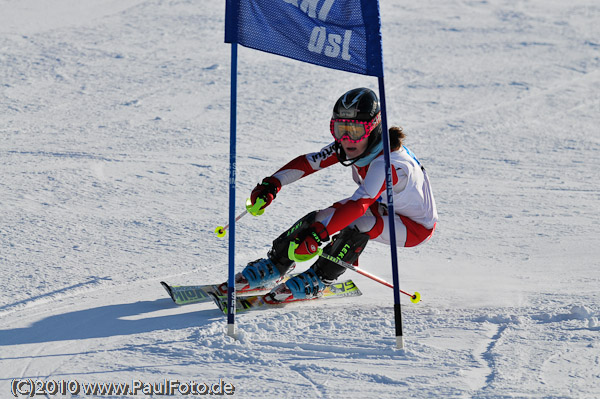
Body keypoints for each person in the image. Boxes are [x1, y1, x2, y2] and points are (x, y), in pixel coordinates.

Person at [235, 87, 438, 302]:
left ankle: (320, 279)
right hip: (382, 205)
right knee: (321, 216)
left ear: (373, 129)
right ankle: (276, 264)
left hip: (413, 226)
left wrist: (318, 236)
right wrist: (272, 184)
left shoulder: (388, 164)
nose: (348, 139)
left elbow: (359, 204)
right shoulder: (356, 145)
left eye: (357, 131)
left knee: (358, 224)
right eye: (341, 129)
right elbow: (309, 163)